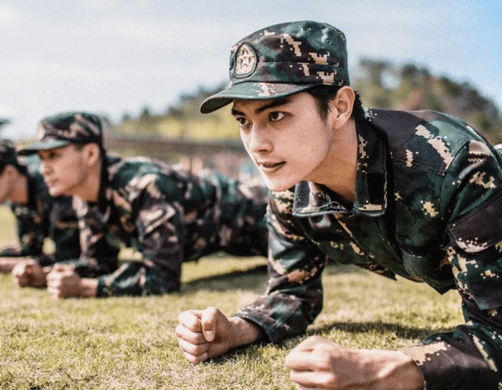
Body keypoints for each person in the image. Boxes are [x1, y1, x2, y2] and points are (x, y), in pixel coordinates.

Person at [174, 20, 502, 390]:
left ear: (340, 107)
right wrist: (238, 329)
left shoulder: (457, 168)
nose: (257, 144)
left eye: (276, 116)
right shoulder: (290, 184)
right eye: (244, 121)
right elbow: (292, 294)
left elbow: (497, 334)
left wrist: (383, 369)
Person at [15, 112, 269, 298]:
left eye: (53, 155)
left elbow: (162, 278)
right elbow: (99, 263)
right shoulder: (87, 198)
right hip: (238, 241)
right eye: (41, 158)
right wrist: (47, 273)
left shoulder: (144, 184)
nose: (43, 168)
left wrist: (87, 288)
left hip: (266, 214)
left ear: (91, 154)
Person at [0, 136, 80, 287]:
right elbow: (29, 249)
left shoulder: (52, 191)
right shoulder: (19, 202)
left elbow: (70, 256)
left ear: (10, 172)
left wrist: (2, 265)